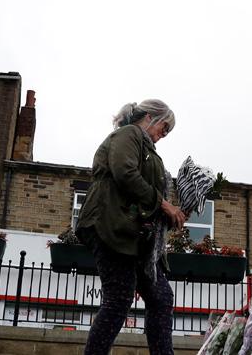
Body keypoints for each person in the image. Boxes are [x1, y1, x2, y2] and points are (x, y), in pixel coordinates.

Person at [75, 99, 186, 355]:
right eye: (164, 128)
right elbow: (124, 172)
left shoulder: (146, 146)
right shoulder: (129, 133)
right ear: (149, 117)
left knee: (161, 298)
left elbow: (147, 193)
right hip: (110, 225)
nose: (163, 135)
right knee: (119, 298)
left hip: (135, 236)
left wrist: (169, 212)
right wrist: (164, 205)